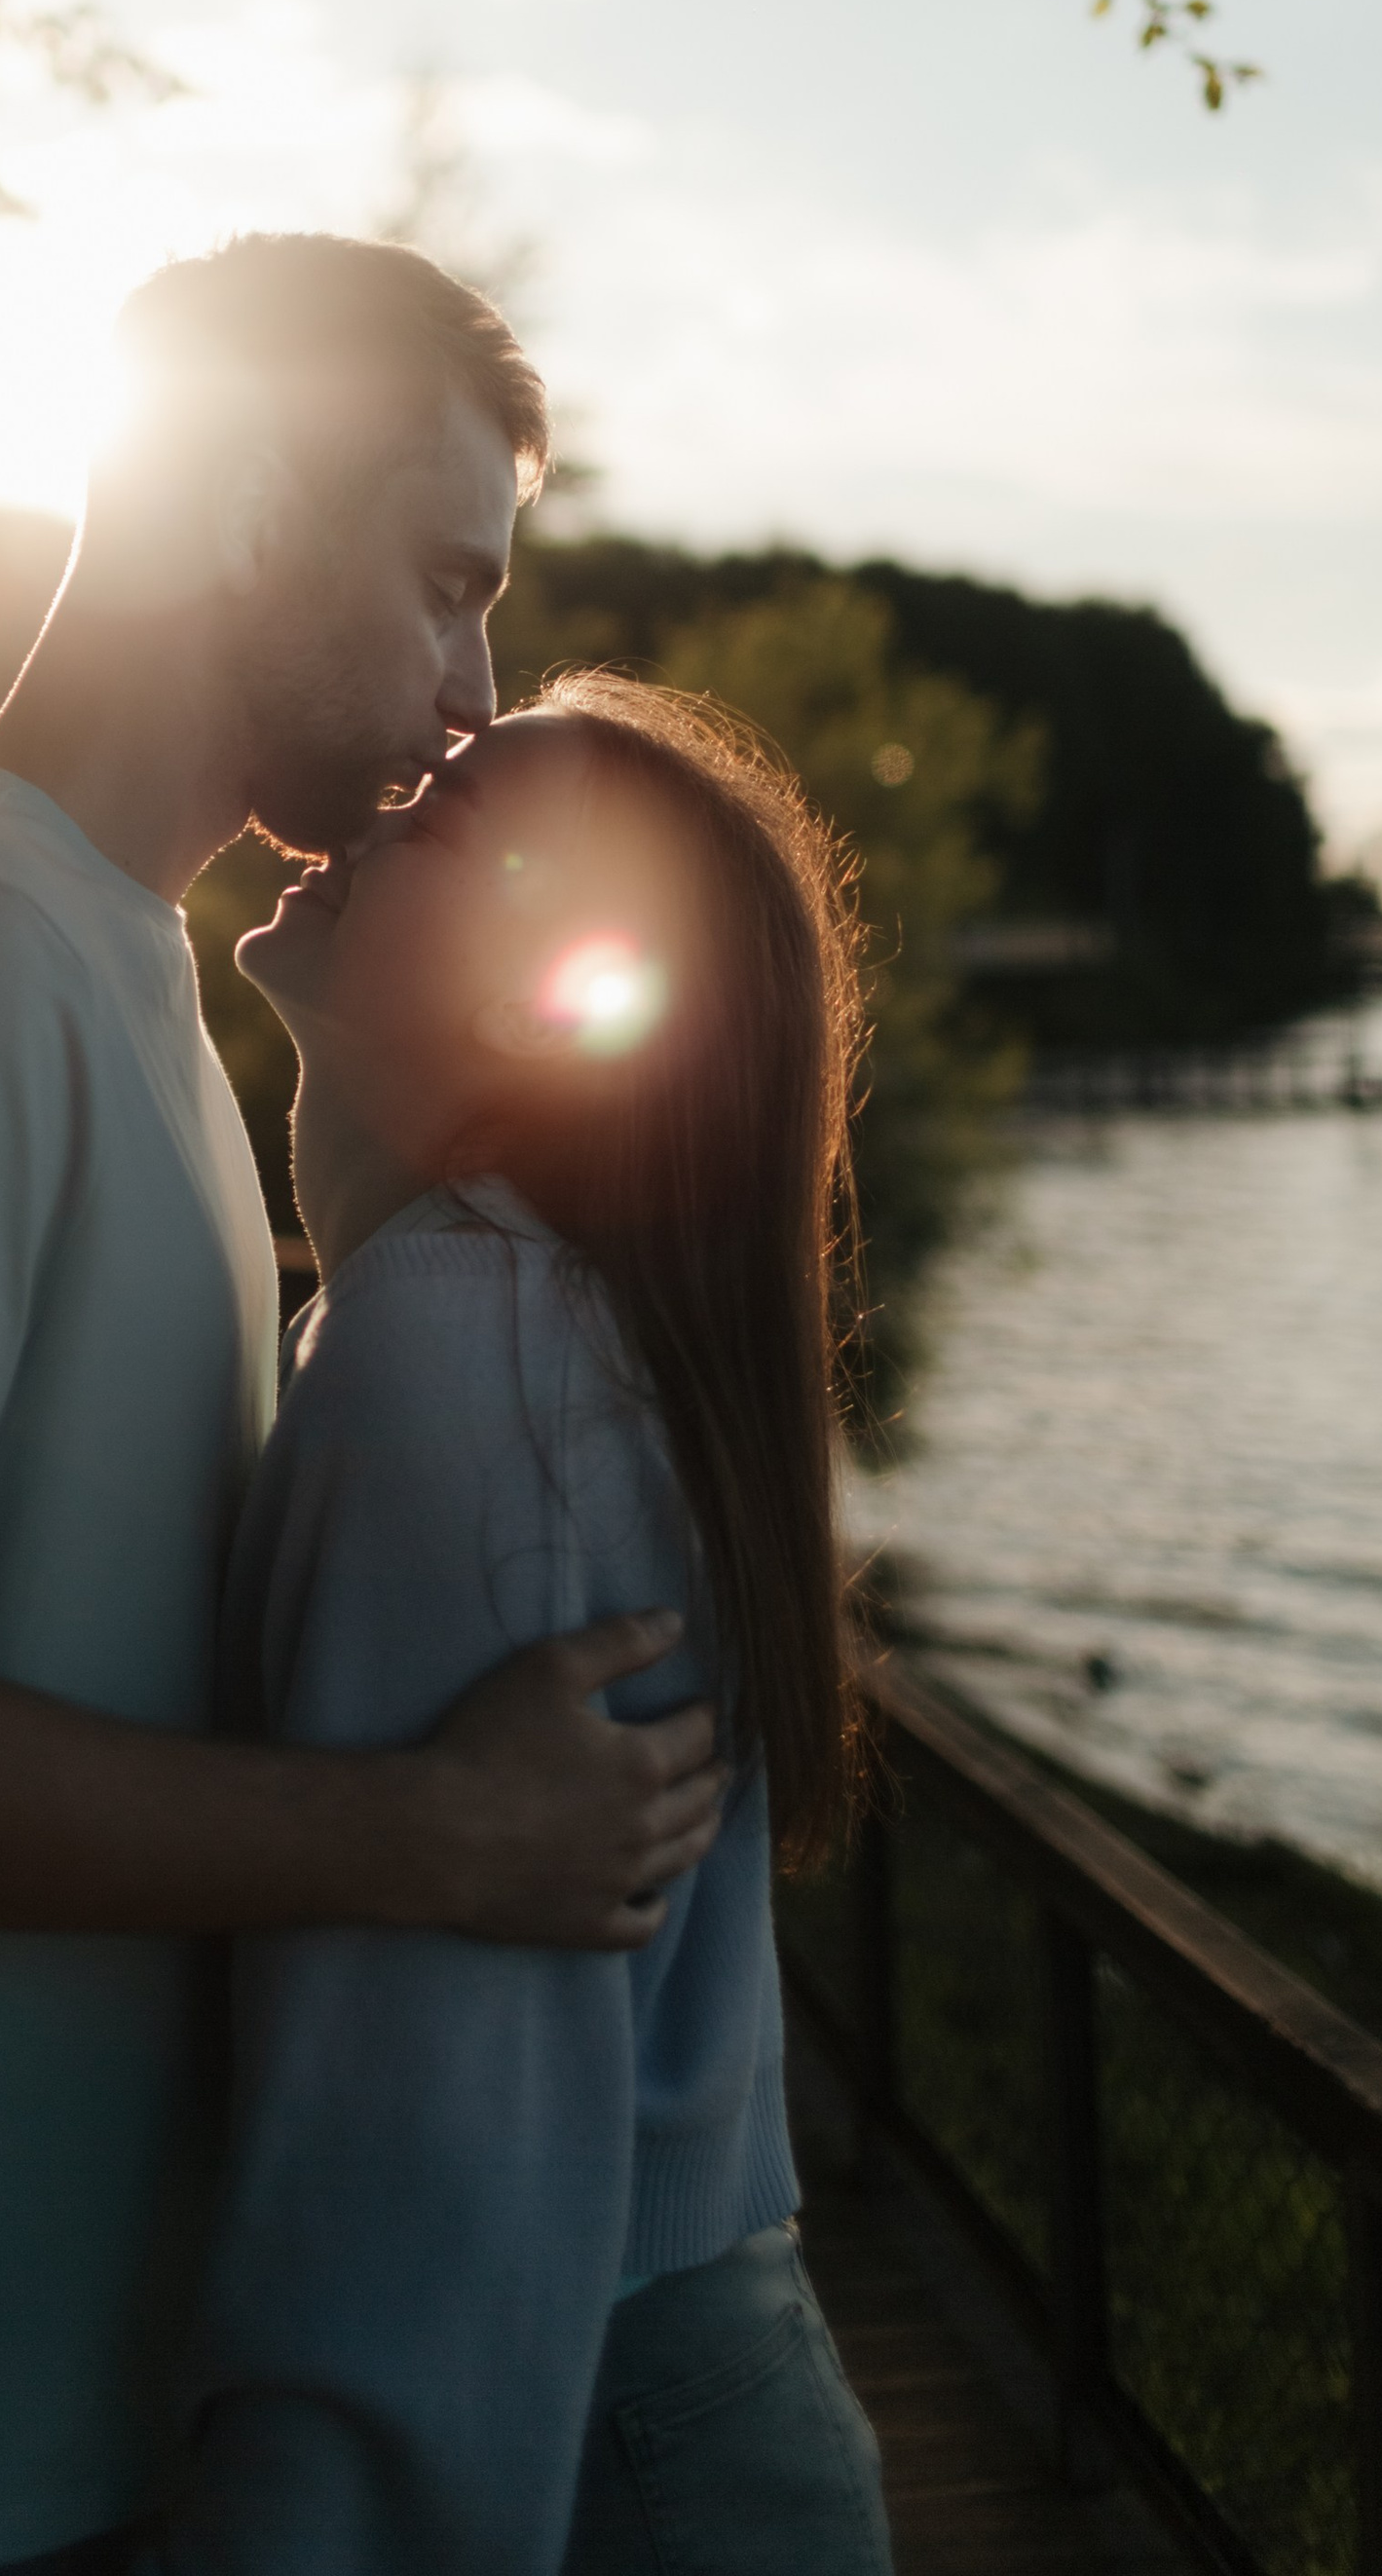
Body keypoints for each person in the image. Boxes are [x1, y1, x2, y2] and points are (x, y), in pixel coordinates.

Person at [0, 239, 727, 2576]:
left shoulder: (128, 966)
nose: (471, 689)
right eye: (443, 582)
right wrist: (423, 1836)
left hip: (10, 2394)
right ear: (247, 497)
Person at [151, 673, 897, 2576]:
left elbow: (414, 2133)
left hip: (591, 2430)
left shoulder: (452, 1357)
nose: (369, 813)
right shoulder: (520, 1328)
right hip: (665, 2398)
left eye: (446, 818)